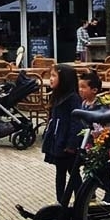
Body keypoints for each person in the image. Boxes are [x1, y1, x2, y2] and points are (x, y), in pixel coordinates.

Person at [41, 64, 82, 204]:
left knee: (73, 173)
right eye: (50, 76)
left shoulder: (73, 98)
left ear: (64, 79)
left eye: (54, 76)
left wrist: (72, 144)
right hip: (57, 140)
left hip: (67, 142)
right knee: (60, 172)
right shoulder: (57, 96)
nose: (50, 79)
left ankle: (81, 200)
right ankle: (61, 201)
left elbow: (76, 123)